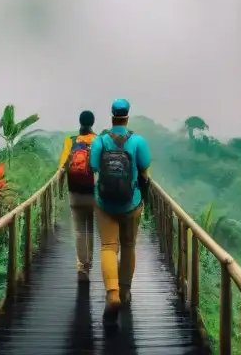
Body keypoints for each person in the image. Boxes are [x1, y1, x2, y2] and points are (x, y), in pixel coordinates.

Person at [89, 98, 151, 324]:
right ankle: (125, 291)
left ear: (112, 115)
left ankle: (112, 294)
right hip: (131, 203)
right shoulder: (137, 141)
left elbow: (94, 167)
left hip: (105, 203)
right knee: (128, 246)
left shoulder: (100, 141)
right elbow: (145, 168)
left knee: (108, 246)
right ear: (127, 116)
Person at [58, 110, 97, 282]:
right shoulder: (98, 141)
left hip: (74, 193)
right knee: (90, 228)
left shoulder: (71, 141)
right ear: (92, 123)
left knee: (80, 230)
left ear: (79, 122)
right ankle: (90, 262)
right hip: (93, 192)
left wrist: (60, 191)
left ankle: (82, 266)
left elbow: (61, 167)